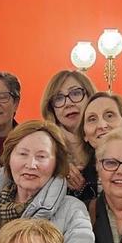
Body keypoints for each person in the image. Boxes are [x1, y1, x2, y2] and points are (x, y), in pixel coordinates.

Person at [40, 70, 98, 201]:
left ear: (90, 97)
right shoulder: (44, 147)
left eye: (76, 93)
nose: (68, 103)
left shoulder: (108, 140)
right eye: (59, 98)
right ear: (51, 109)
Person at [78, 92, 122, 202]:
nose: (101, 125)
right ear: (84, 135)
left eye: (109, 115)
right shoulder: (78, 182)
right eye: (92, 119)